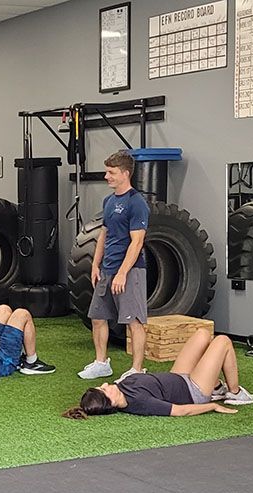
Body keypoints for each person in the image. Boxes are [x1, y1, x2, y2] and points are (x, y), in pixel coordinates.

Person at [64, 330, 253, 419]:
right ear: (111, 402)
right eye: (104, 390)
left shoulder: (121, 386)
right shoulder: (139, 403)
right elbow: (181, 411)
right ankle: (235, 393)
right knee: (222, 341)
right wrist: (212, 406)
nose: (105, 385)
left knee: (203, 334)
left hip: (179, 377)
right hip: (194, 390)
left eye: (101, 386)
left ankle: (215, 386)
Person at [78, 150, 150, 382]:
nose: (106, 176)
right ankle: (101, 363)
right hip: (107, 270)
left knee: (134, 321)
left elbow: (137, 241)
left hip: (130, 271)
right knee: (98, 317)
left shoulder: (137, 203)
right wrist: (95, 264)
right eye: (107, 171)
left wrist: (122, 273)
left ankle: (137, 369)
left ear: (125, 174)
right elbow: (103, 235)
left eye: (111, 172)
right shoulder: (108, 201)